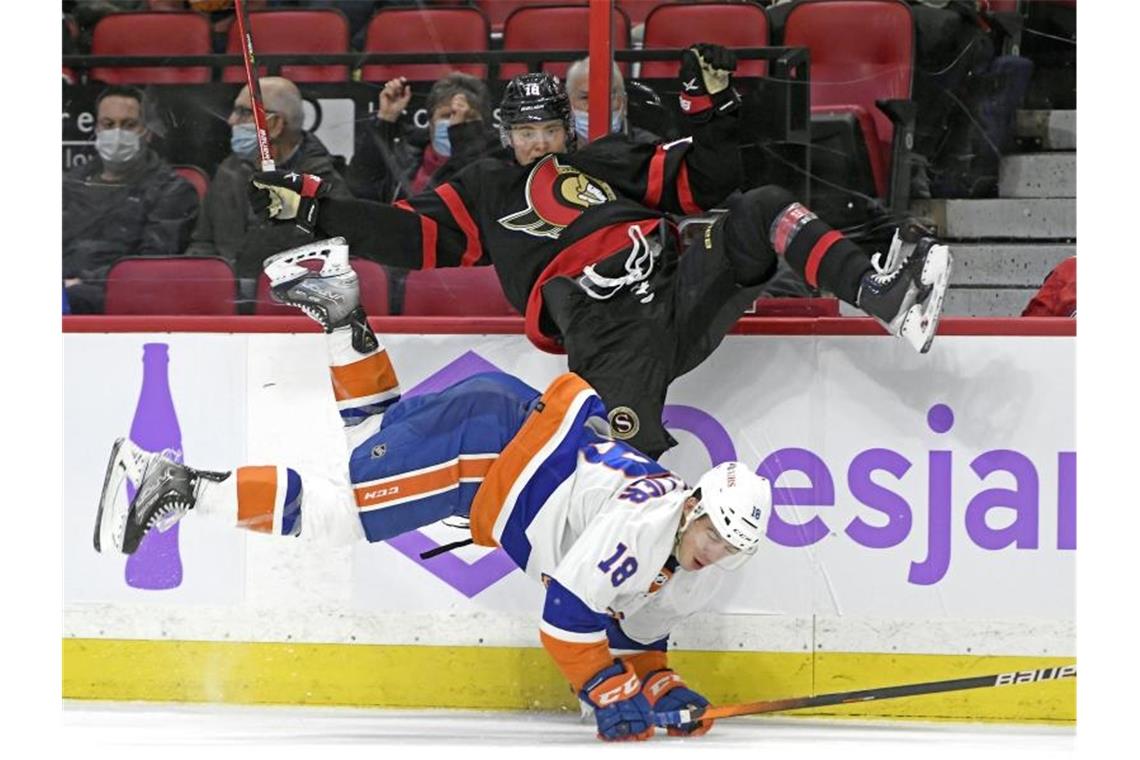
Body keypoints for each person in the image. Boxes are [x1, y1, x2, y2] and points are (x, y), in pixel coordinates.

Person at [93, 237, 774, 743]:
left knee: (374, 440)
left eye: (729, 547)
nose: (715, 551)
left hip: (503, 447)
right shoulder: (643, 523)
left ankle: (337, 305)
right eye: (714, 533)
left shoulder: (690, 553)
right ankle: (175, 483)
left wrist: (658, 683)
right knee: (341, 514)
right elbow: (569, 616)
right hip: (483, 452)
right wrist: (603, 684)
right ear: (692, 506)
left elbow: (635, 622)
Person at [248, 45, 952, 459]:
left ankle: (883, 294)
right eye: (523, 132)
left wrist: (711, 111)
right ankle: (616, 645)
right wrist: (316, 207)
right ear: (505, 134)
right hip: (607, 330)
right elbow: (413, 236)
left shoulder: (611, 159)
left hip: (675, 282)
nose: (535, 144)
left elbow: (709, 177)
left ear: (568, 127)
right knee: (621, 471)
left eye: (548, 129)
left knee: (760, 208)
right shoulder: (490, 186)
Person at [185, 76, 352, 290]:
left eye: (244, 112)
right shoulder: (229, 171)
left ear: (274, 125)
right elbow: (202, 244)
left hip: (289, 307)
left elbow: (331, 265)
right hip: (225, 304)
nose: (231, 121)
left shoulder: (322, 186)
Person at [63, 85, 199, 314]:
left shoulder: (172, 190)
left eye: (128, 125)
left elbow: (148, 264)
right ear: (96, 128)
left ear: (146, 131)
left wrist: (81, 281)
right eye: (108, 124)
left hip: (115, 295)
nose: (117, 133)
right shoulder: (70, 183)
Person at [346, 71, 501, 203]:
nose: (455, 123)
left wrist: (462, 141)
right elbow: (360, 188)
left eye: (467, 118)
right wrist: (385, 119)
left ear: (484, 125)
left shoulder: (496, 164)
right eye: (447, 115)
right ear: (431, 121)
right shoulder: (405, 154)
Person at [564, 57, 659, 145]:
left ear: (624, 102)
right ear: (568, 105)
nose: (596, 108)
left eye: (607, 97)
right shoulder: (557, 151)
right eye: (585, 98)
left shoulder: (650, 149)